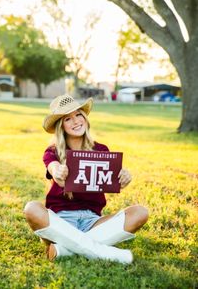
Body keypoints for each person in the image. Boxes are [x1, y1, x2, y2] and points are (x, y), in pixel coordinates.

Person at [24, 94, 148, 264]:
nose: (75, 121)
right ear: (61, 126)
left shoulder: (101, 149)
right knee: (31, 208)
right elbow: (52, 166)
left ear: (85, 118)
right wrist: (57, 171)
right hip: (61, 220)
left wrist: (123, 177)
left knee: (140, 212)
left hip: (92, 220)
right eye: (68, 118)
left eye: (79, 115)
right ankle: (105, 252)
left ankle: (64, 249)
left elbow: (111, 178)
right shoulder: (52, 151)